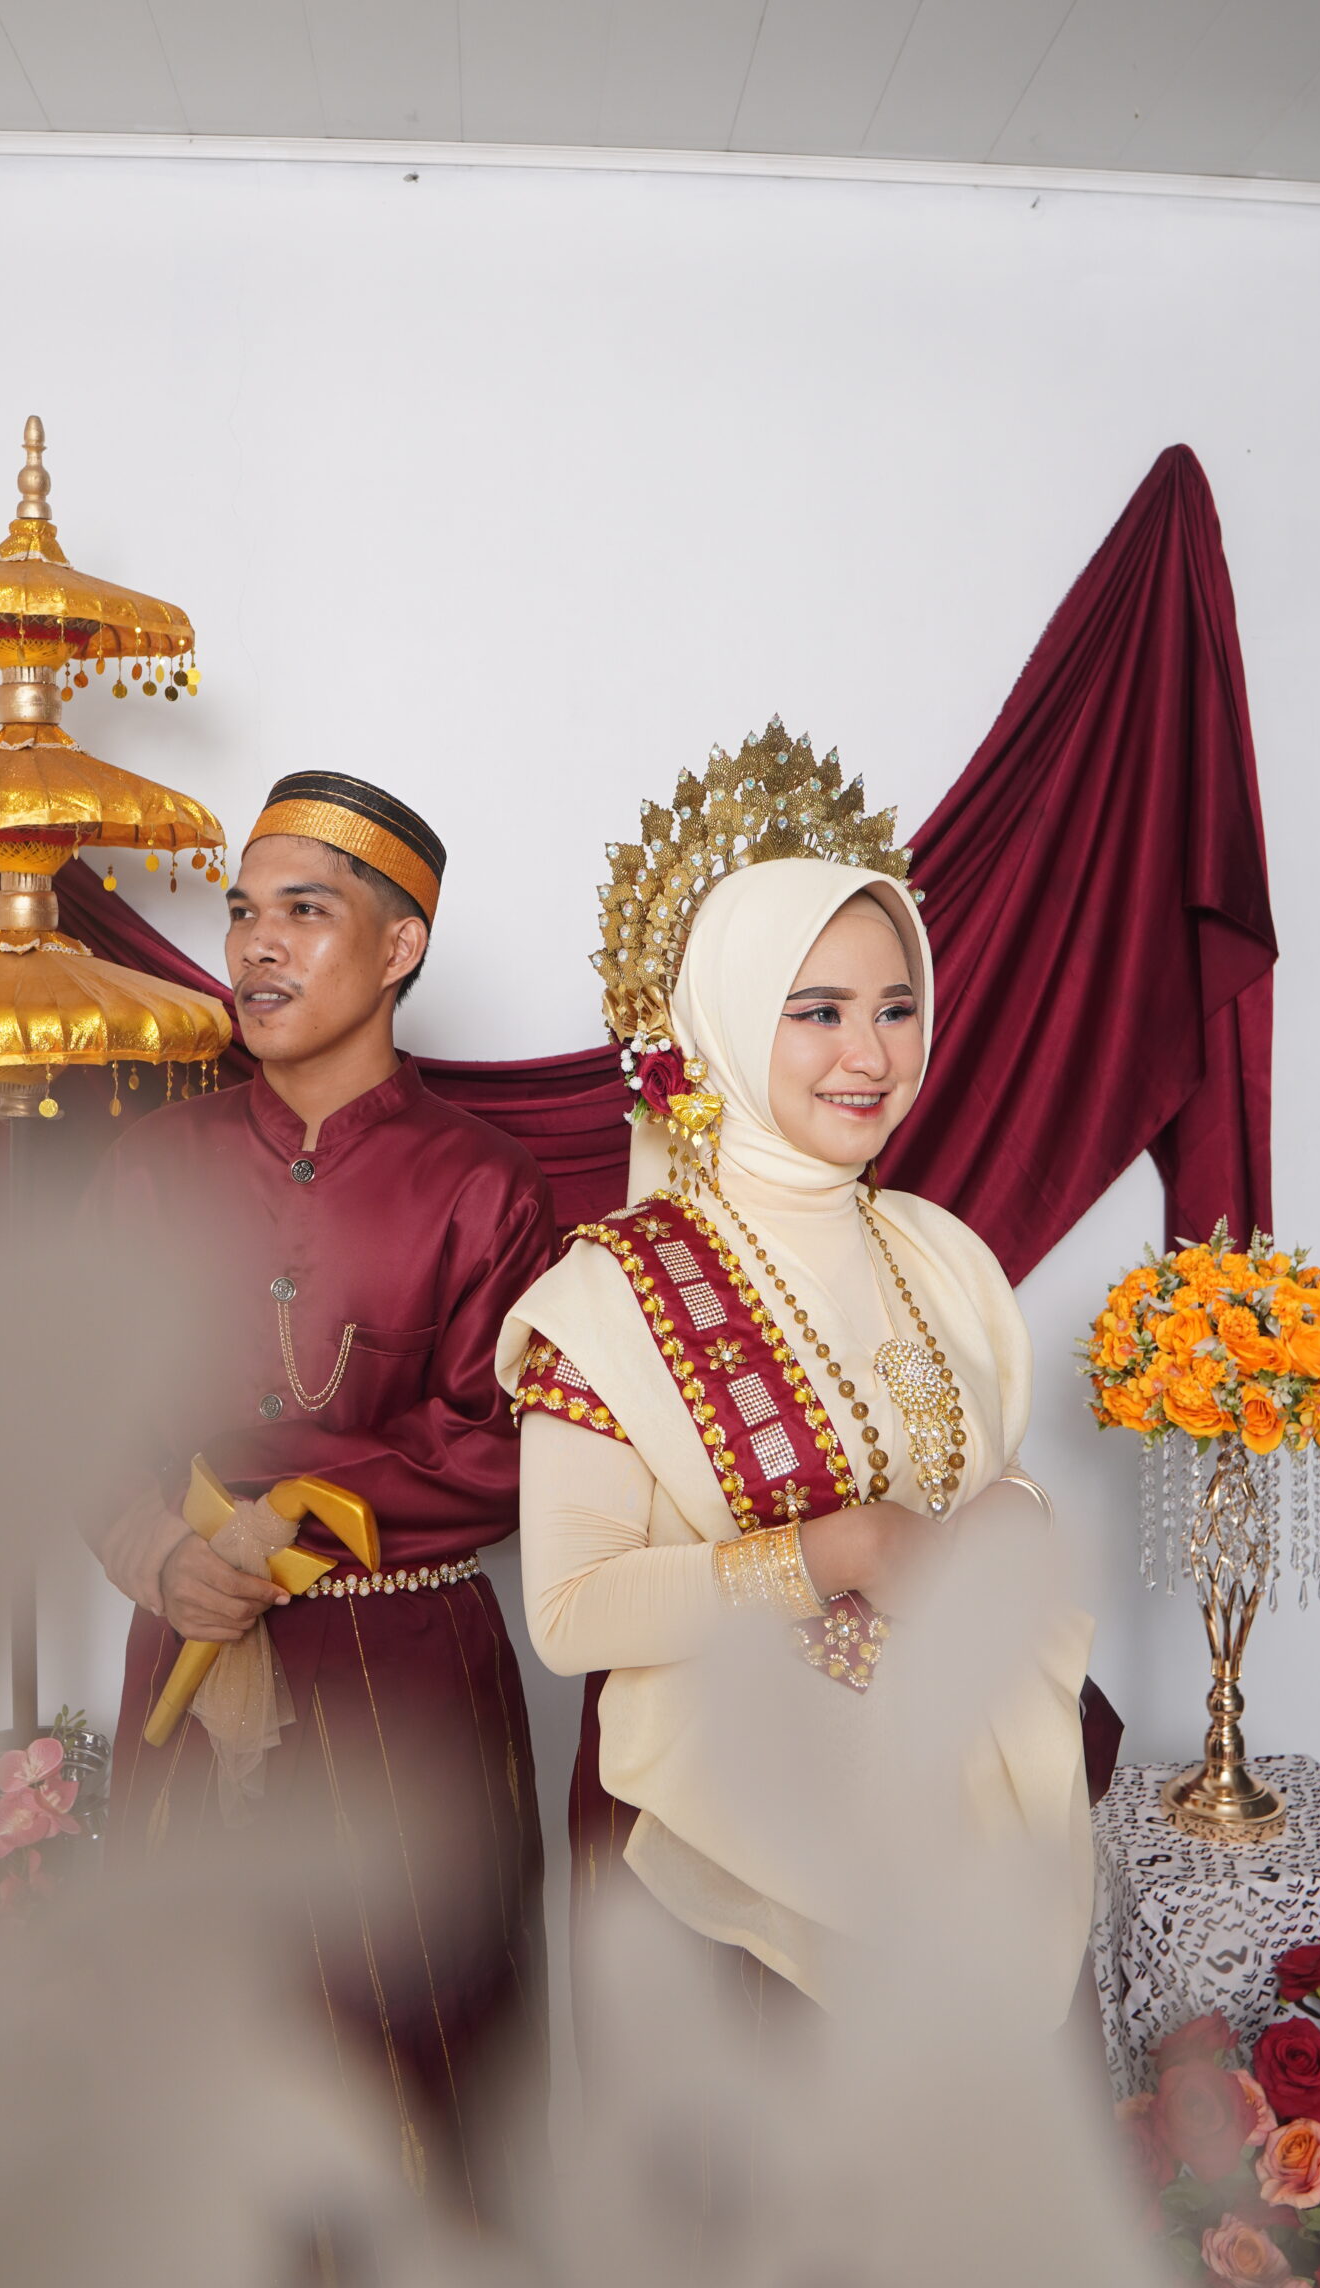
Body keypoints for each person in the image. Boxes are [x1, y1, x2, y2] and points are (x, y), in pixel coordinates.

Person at [499, 723, 1092, 2044]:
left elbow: (990, 1481)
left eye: (895, 1008)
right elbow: (572, 1616)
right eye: (816, 1011)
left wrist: (1013, 1519)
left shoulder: (940, 1254)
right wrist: (844, 1550)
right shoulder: (613, 1292)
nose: (869, 1055)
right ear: (720, 1020)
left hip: (954, 1831)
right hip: (721, 1868)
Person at [92, 768, 554, 2230]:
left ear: (402, 946)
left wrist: (275, 1509)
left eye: (305, 912)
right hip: (196, 1654)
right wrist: (158, 1553)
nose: (256, 947)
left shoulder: (487, 1185)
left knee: (413, 2053)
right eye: (242, 915)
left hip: (408, 1675)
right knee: (198, 2049)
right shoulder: (152, 1169)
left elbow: (500, 1447)